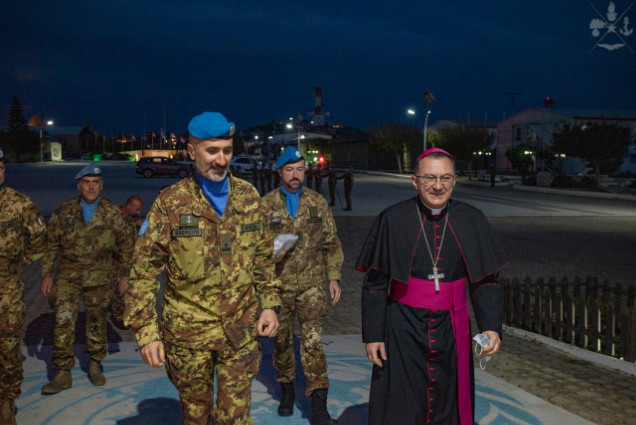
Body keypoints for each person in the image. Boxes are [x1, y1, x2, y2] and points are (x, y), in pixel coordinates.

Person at [124, 112, 282, 425]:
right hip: (189, 337)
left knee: (235, 417)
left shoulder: (249, 198)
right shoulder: (171, 204)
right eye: (212, 151)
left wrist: (270, 305)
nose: (221, 160)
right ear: (192, 150)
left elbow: (264, 257)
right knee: (196, 417)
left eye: (227, 150)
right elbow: (142, 273)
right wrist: (147, 333)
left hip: (239, 332)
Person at [355, 148, 507, 425]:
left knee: (449, 395)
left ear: (455, 180)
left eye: (445, 177)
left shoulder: (472, 219)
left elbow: (486, 281)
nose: (438, 185)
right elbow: (375, 284)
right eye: (430, 178)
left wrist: (491, 326)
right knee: (402, 399)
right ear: (415, 181)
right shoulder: (393, 218)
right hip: (402, 325)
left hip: (453, 325)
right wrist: (373, 334)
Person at [261, 146, 343, 425]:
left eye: (299, 170)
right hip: (279, 286)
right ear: (279, 172)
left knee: (312, 344)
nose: (295, 175)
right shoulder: (265, 205)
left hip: (313, 285)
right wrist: (273, 252)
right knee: (282, 343)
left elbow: (332, 244)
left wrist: (333, 277)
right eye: (289, 170)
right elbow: (255, 251)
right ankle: (286, 390)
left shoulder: (318, 203)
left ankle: (319, 409)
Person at [40, 163, 134, 394]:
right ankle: (62, 372)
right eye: (86, 183)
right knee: (62, 321)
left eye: (95, 183)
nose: (91, 187)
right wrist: (45, 274)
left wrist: (124, 275)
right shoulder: (65, 210)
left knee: (96, 322)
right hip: (67, 277)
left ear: (101, 186)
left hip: (100, 278)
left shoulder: (112, 212)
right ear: (79, 185)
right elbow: (51, 244)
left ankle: (94, 365)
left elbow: (126, 245)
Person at [0, 148, 47, 425]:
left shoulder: (20, 204)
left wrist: (19, 262)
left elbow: (39, 239)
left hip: (7, 295)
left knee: (6, 351)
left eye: (2, 166)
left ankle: (6, 402)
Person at [110, 195, 144, 329]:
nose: (138, 212)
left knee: (129, 289)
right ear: (128, 206)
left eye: (140, 210)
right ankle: (119, 317)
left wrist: (137, 224)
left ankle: (129, 315)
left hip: (129, 260)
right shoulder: (115, 217)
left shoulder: (131, 218)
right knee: (119, 289)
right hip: (115, 260)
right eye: (136, 209)